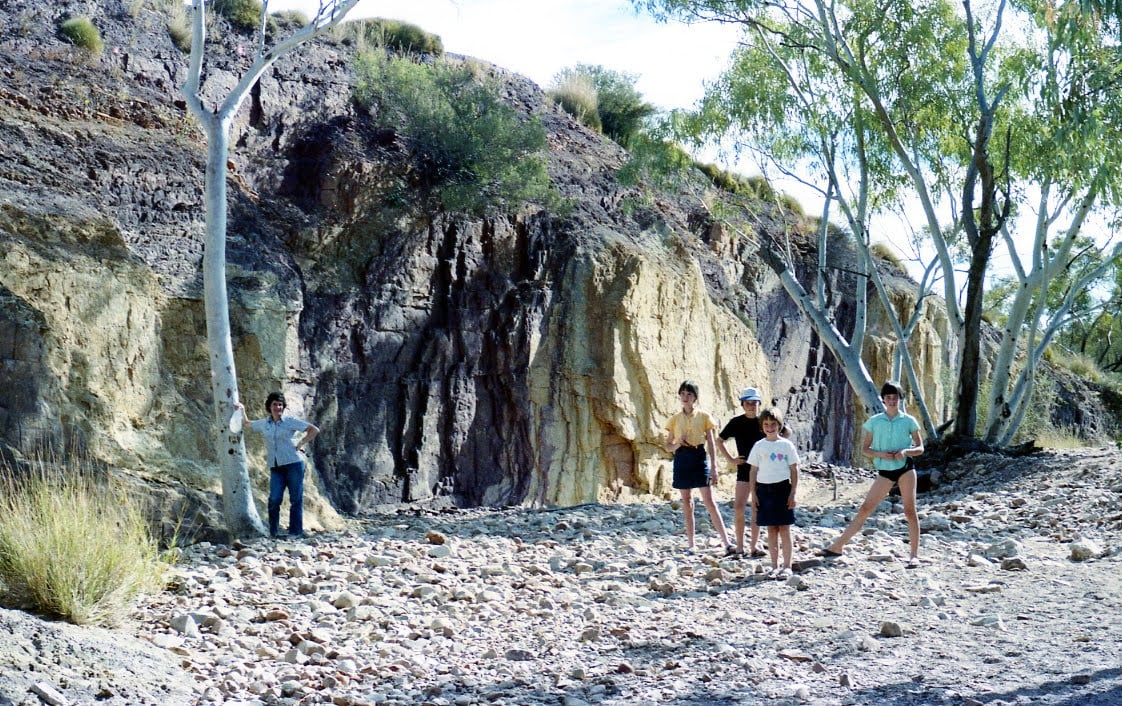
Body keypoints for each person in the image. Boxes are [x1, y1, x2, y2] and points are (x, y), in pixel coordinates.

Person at [818, 381, 925, 567]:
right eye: (888, 397)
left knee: (910, 510)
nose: (892, 401)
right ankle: (837, 547)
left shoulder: (909, 421)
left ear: (900, 399)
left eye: (895, 397)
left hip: (906, 469)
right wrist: (881, 454)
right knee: (866, 508)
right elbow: (865, 449)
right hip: (885, 471)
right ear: (883, 399)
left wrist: (905, 451)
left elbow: (920, 448)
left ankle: (914, 556)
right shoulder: (874, 422)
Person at [716, 387, 792, 557]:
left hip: (763, 471)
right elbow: (719, 440)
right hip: (744, 469)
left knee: (756, 509)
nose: (751, 406)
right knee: (739, 508)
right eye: (748, 403)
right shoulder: (736, 422)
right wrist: (731, 459)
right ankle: (740, 547)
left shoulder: (764, 421)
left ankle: (753, 546)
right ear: (742, 405)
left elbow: (786, 431)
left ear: (759, 404)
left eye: (754, 403)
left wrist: (775, 449)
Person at [233, 393, 320, 538]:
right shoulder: (265, 423)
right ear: (269, 406)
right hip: (276, 466)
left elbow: (314, 430)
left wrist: (301, 443)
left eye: (280, 405)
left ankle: (295, 532)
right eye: (275, 404)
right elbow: (247, 424)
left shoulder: (289, 421)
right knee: (274, 498)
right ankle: (273, 532)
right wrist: (242, 409)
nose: (278, 407)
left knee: (295, 499)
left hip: (294, 464)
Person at [664, 380, 732, 554]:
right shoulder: (674, 419)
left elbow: (711, 443)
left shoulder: (704, 417)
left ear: (695, 397)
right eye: (683, 394)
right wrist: (677, 443)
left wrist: (714, 467)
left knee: (709, 501)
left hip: (699, 457)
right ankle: (691, 544)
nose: (685, 397)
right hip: (682, 458)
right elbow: (668, 446)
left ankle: (726, 542)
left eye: (689, 394)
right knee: (687, 502)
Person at [747, 407, 800, 579]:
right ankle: (774, 566)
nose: (770, 428)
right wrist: (754, 493)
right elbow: (753, 471)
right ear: (762, 426)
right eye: (766, 424)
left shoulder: (786, 445)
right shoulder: (758, 446)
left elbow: (794, 469)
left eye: (773, 424)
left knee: (784, 528)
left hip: (782, 489)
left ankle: (787, 565)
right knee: (771, 529)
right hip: (764, 490)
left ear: (779, 425)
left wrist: (793, 493)